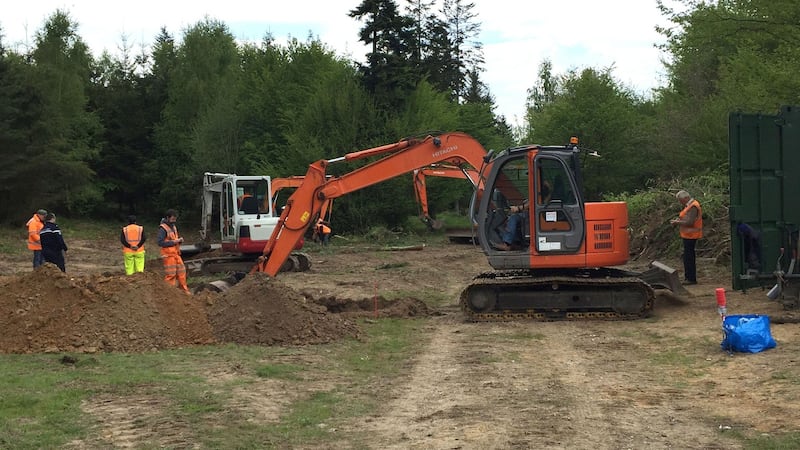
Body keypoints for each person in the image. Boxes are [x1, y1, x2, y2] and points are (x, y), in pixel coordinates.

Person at [670, 190, 703, 285]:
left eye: (680, 200)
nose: (680, 202)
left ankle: (691, 278)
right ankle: (688, 277)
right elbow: (686, 218)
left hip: (691, 236)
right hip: (688, 235)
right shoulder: (689, 206)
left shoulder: (693, 206)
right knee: (687, 256)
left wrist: (677, 222)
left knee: (689, 257)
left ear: (686, 198)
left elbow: (690, 222)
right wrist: (679, 220)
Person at [157, 209, 191, 294]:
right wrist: (174, 242)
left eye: (175, 219)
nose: (174, 221)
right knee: (171, 275)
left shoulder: (173, 227)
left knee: (182, 272)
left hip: (176, 254)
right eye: (172, 219)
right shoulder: (163, 228)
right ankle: (169, 293)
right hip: (168, 255)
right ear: (167, 218)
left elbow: (174, 239)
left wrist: (179, 241)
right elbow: (160, 242)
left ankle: (184, 291)